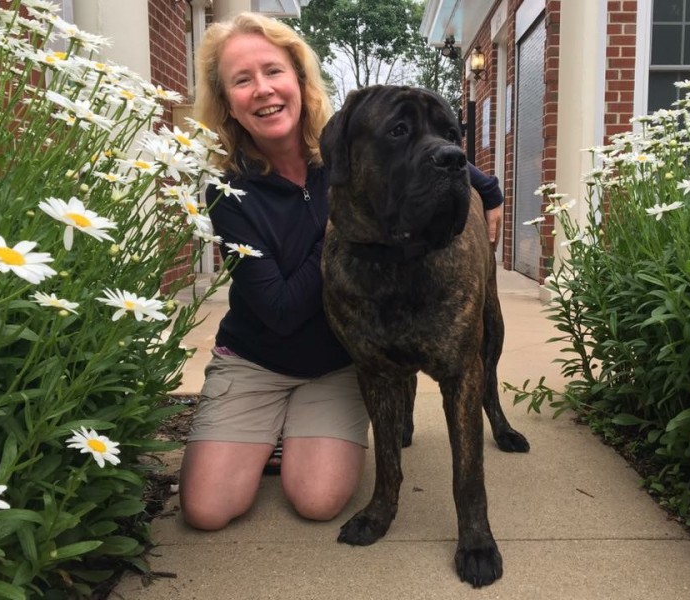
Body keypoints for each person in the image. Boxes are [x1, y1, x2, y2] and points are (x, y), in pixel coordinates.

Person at [179, 11, 506, 531]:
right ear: (227, 102)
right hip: (258, 359)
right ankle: (269, 431)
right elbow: (281, 310)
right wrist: (343, 220)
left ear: (300, 81)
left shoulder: (347, 150)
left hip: (333, 365)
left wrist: (486, 189)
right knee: (206, 510)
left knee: (318, 500)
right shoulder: (229, 192)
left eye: (273, 71)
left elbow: (426, 154)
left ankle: (294, 437)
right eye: (243, 80)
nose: (263, 90)